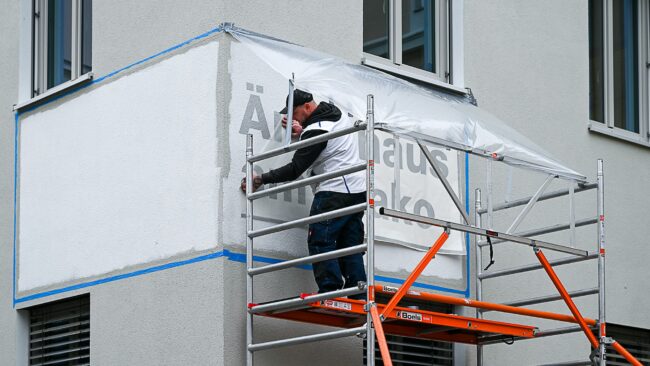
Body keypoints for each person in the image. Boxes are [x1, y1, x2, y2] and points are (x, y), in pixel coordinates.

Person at [240, 89, 367, 299]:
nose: (292, 119)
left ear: (307, 107)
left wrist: (261, 178)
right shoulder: (336, 115)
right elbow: (323, 140)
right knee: (349, 245)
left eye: (295, 113)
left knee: (320, 239)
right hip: (356, 191)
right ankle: (359, 293)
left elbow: (295, 169)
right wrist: (302, 130)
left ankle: (330, 290)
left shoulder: (317, 130)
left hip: (334, 191)